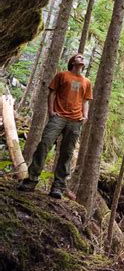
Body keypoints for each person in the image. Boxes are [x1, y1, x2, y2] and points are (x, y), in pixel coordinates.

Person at [19, 53, 93, 199]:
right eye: (78, 57)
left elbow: (86, 101)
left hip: (75, 121)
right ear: (72, 62)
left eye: (83, 58)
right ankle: (30, 181)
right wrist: (51, 111)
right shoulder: (62, 75)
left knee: (67, 153)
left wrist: (85, 116)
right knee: (44, 144)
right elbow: (52, 93)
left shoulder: (87, 82)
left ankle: (57, 187)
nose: (81, 58)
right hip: (58, 117)